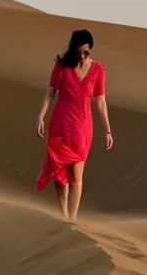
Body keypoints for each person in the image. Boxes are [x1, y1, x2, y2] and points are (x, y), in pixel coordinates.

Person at [35, 29, 113, 221]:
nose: (82, 56)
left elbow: (101, 102)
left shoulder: (98, 70)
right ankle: (63, 216)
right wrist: (40, 117)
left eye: (86, 52)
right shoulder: (61, 66)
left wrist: (108, 131)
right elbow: (50, 93)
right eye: (78, 52)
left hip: (83, 126)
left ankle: (72, 219)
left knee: (76, 175)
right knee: (59, 172)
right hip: (60, 122)